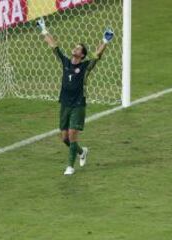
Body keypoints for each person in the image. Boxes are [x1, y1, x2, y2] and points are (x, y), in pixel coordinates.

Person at [37, 17, 114, 175]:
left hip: (78, 104)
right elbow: (53, 45)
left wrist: (105, 41)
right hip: (65, 103)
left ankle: (70, 166)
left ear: (82, 55)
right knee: (64, 137)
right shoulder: (65, 62)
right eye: (75, 47)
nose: (75, 49)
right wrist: (43, 29)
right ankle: (81, 152)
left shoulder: (85, 67)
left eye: (79, 49)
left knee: (72, 134)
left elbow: (96, 55)